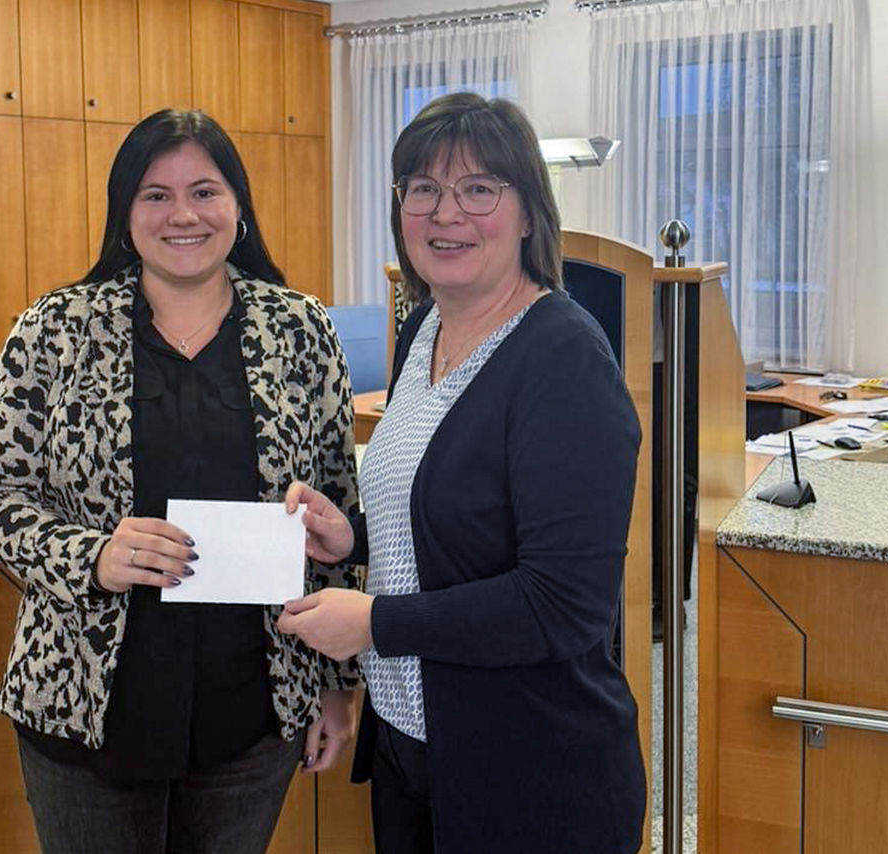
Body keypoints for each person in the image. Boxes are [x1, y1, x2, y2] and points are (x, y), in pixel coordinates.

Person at [0, 109, 362, 854]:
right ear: (125, 214)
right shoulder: (54, 329)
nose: (183, 214)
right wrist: (90, 556)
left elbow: (340, 516)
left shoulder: (302, 331)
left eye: (205, 191)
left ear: (238, 208)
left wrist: (338, 684)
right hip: (84, 707)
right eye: (155, 194)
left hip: (255, 709)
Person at [277, 92, 646, 853]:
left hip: (531, 770)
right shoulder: (423, 328)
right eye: (424, 189)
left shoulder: (563, 360)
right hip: (412, 750)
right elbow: (454, 516)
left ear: (527, 215)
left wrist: (375, 623)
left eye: (479, 189)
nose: (447, 214)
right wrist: (353, 539)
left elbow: (562, 606)